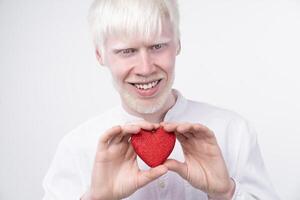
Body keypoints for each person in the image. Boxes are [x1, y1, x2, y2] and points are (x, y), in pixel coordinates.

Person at [43, 0, 280, 199]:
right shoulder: (76, 148)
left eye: (157, 46)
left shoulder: (233, 131)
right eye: (127, 51)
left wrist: (227, 193)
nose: (145, 69)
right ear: (99, 55)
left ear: (177, 44)